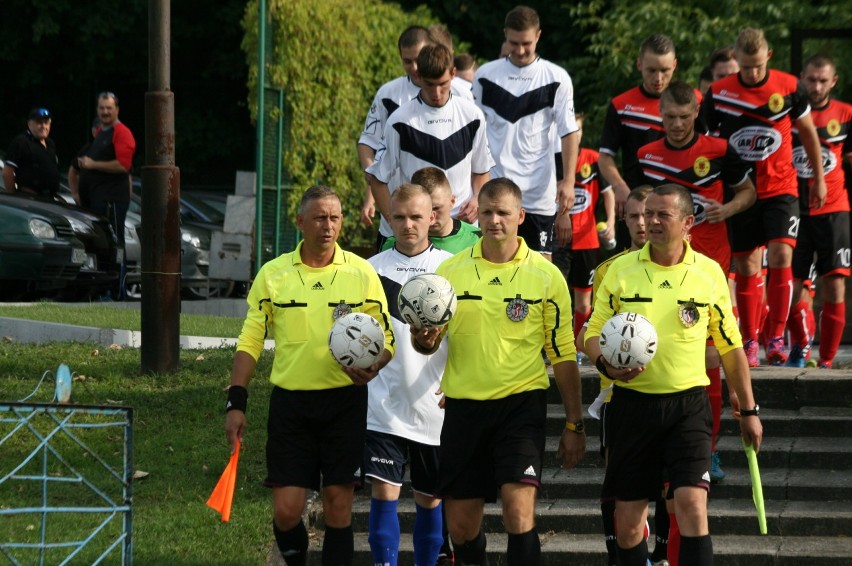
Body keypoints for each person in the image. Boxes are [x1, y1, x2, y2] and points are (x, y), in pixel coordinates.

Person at [585, 184, 763, 566]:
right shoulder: (620, 270)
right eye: (648, 214)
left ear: (687, 223)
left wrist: (748, 409)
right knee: (629, 523)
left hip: (688, 407)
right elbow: (591, 333)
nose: (650, 222)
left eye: (662, 215)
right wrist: (606, 365)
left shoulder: (709, 273)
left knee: (692, 504)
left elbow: (731, 347)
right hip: (631, 406)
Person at [412, 177, 586, 565]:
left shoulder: (545, 276)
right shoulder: (451, 272)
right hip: (463, 408)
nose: (494, 221)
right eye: (487, 212)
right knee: (460, 526)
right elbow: (429, 341)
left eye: (503, 213)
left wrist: (574, 422)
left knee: (517, 510)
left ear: (521, 216)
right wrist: (423, 340)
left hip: (520, 407)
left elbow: (562, 354)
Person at [224, 185, 395, 566]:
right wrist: (236, 400)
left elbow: (386, 336)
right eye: (319, 217)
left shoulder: (361, 273)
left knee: (338, 505)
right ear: (300, 221)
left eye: (335, 217)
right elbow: (251, 340)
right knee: (286, 511)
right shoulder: (274, 275)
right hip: (291, 407)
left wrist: (376, 364)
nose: (328, 226)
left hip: (344, 405)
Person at [639, 80, 757, 483]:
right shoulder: (644, 154)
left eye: (684, 117)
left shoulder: (720, 150)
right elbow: (637, 201)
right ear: (660, 114)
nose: (676, 124)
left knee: (711, 360)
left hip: (709, 265)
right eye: (669, 117)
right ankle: (659, 446)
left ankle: (708, 451)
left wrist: (728, 208)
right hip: (657, 269)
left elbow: (749, 193)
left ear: (696, 114)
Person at [702, 27, 827, 366]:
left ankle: (776, 336)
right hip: (741, 191)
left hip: (781, 188)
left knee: (781, 256)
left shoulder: (789, 87)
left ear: (768, 56)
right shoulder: (719, 92)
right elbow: (706, 142)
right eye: (745, 67)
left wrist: (818, 178)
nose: (752, 73)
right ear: (736, 61)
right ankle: (750, 340)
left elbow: (809, 134)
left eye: (757, 65)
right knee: (745, 264)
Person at [365, 183, 453, 566]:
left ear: (432, 217)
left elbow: (462, 337)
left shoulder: (452, 269)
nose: (408, 224)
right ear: (388, 219)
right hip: (382, 403)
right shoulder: (369, 270)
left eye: (416, 216)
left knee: (429, 500)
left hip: (433, 403)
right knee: (383, 494)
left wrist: (457, 384)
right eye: (398, 217)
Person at [576, 186, 659, 566]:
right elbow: (587, 333)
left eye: (649, 215)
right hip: (616, 396)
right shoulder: (610, 269)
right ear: (623, 219)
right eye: (634, 216)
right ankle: (621, 555)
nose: (642, 224)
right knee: (619, 481)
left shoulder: (685, 266)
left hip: (670, 393)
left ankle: (662, 552)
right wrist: (607, 359)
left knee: (673, 488)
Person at [472, 5, 579, 260]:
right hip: (497, 188)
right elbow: (473, 133)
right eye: (514, 43)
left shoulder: (557, 78)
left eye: (526, 44)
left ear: (538, 36)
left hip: (539, 192)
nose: (520, 50)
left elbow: (568, 132)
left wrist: (569, 181)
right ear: (505, 35)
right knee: (491, 262)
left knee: (542, 269)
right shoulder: (485, 75)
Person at [358, 26, 475, 237]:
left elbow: (479, 158)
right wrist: (372, 181)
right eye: (406, 61)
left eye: (417, 59)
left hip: (455, 220)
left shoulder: (463, 95)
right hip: (405, 221)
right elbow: (369, 144)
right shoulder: (389, 95)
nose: (413, 67)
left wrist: (477, 198)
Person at [786, 54, 852, 369]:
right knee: (792, 286)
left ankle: (826, 360)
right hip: (794, 208)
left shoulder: (846, 113)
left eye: (823, 80)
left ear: (834, 81)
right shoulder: (788, 112)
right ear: (801, 77)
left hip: (834, 208)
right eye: (811, 79)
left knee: (835, 283)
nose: (816, 86)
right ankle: (800, 346)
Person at [599, 34, 679, 218]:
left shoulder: (692, 102)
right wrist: (620, 187)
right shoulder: (622, 105)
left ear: (674, 65)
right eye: (651, 70)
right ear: (639, 64)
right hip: (635, 204)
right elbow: (604, 157)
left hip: (676, 205)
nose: (658, 78)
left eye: (665, 70)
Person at [552, 112, 614, 343]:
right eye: (570, 130)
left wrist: (610, 222)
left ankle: (580, 346)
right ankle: (556, 344)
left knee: (584, 301)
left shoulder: (594, 159)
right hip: (559, 238)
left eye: (577, 130)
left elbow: (608, 194)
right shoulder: (553, 159)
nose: (574, 135)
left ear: (582, 132)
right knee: (556, 297)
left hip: (587, 240)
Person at [73, 92, 136, 250]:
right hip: (96, 201)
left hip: (111, 202)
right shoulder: (102, 132)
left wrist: (93, 164)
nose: (105, 112)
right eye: (102, 108)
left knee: (114, 244)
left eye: (109, 108)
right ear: (97, 110)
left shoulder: (122, 132)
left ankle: (119, 274)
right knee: (100, 245)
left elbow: (123, 165)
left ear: (117, 110)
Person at [381, 167, 482, 254]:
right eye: (422, 211)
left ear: (452, 201)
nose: (431, 215)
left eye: (436, 208)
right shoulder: (394, 244)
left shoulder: (478, 238)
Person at [2, 108, 60, 198]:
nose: (44, 126)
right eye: (39, 123)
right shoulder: (21, 142)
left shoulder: (50, 143)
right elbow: (7, 172)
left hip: (49, 199)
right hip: (28, 199)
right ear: (29, 124)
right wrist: (13, 196)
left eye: (46, 123)